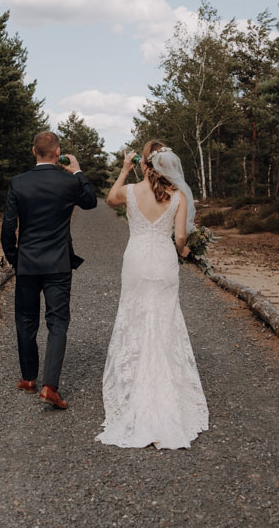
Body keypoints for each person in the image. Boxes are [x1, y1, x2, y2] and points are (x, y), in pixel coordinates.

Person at [96, 139, 209, 448]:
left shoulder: (131, 192)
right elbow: (181, 236)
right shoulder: (179, 196)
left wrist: (124, 169)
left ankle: (134, 383)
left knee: (134, 315)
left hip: (135, 260)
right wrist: (184, 250)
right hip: (162, 260)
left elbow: (109, 199)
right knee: (165, 318)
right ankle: (166, 388)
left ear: (146, 166)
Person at [1, 130, 97, 409]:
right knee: (57, 323)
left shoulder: (18, 183)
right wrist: (78, 171)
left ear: (34, 151)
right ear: (58, 153)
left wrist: (15, 258)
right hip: (58, 263)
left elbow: (8, 227)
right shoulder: (69, 182)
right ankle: (50, 386)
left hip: (28, 262)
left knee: (25, 320)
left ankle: (29, 378)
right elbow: (91, 201)